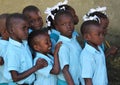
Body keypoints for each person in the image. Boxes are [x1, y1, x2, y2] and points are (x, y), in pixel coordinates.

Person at [4, 13, 47, 85]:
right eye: (24, 28)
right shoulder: (12, 51)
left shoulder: (24, 42)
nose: (27, 31)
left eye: (28, 28)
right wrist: (36, 67)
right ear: (12, 30)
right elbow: (15, 77)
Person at [54, 10, 82, 85]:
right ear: (57, 27)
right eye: (63, 24)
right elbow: (65, 70)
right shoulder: (62, 45)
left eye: (71, 22)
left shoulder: (73, 39)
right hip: (67, 82)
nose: (68, 26)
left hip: (75, 80)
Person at [80, 20, 108, 85]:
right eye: (98, 34)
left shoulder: (99, 49)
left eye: (102, 34)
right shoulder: (87, 55)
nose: (102, 37)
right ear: (87, 37)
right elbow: (87, 80)